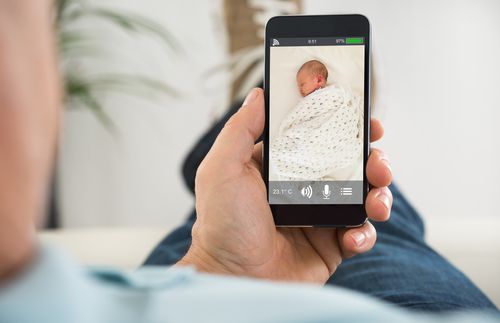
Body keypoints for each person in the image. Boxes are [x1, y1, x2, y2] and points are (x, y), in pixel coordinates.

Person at [0, 1, 498, 322]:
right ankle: (251, 104)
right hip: (398, 288)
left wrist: (216, 267)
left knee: (227, 191)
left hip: (229, 265)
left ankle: (243, 103)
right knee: (387, 223)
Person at [270, 59, 363, 180]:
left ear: (319, 80)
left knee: (280, 151)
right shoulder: (310, 101)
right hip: (318, 138)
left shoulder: (333, 95)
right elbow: (302, 117)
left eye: (302, 84)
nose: (300, 90)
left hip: (334, 137)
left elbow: (345, 107)